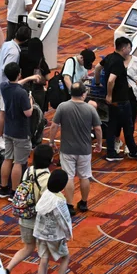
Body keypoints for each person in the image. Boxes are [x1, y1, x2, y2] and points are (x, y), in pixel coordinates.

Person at [48, 84, 101, 214]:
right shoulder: (90, 109)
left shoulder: (63, 106)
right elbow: (98, 128)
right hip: (84, 149)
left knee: (68, 176)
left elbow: (54, 126)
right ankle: (83, 203)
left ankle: (69, 205)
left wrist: (51, 141)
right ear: (83, 94)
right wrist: (99, 143)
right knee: (85, 176)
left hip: (67, 149)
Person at [33, 169, 73, 274]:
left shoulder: (45, 194)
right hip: (55, 236)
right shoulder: (59, 201)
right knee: (66, 257)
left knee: (43, 260)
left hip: (40, 234)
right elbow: (64, 221)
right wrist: (68, 235)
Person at [103, 37, 137, 161]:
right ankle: (133, 151)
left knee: (112, 125)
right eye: (129, 47)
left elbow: (97, 69)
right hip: (121, 100)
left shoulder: (109, 57)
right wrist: (109, 94)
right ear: (124, 48)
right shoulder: (118, 62)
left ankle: (111, 152)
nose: (130, 49)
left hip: (115, 101)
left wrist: (98, 83)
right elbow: (111, 79)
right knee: (128, 126)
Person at [0, 62, 34, 197]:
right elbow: (28, 113)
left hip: (8, 129)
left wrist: (29, 79)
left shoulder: (4, 86)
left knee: (8, 159)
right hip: (21, 132)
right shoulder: (22, 93)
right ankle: (14, 192)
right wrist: (30, 101)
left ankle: (3, 188)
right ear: (19, 74)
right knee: (18, 162)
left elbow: (16, 83)